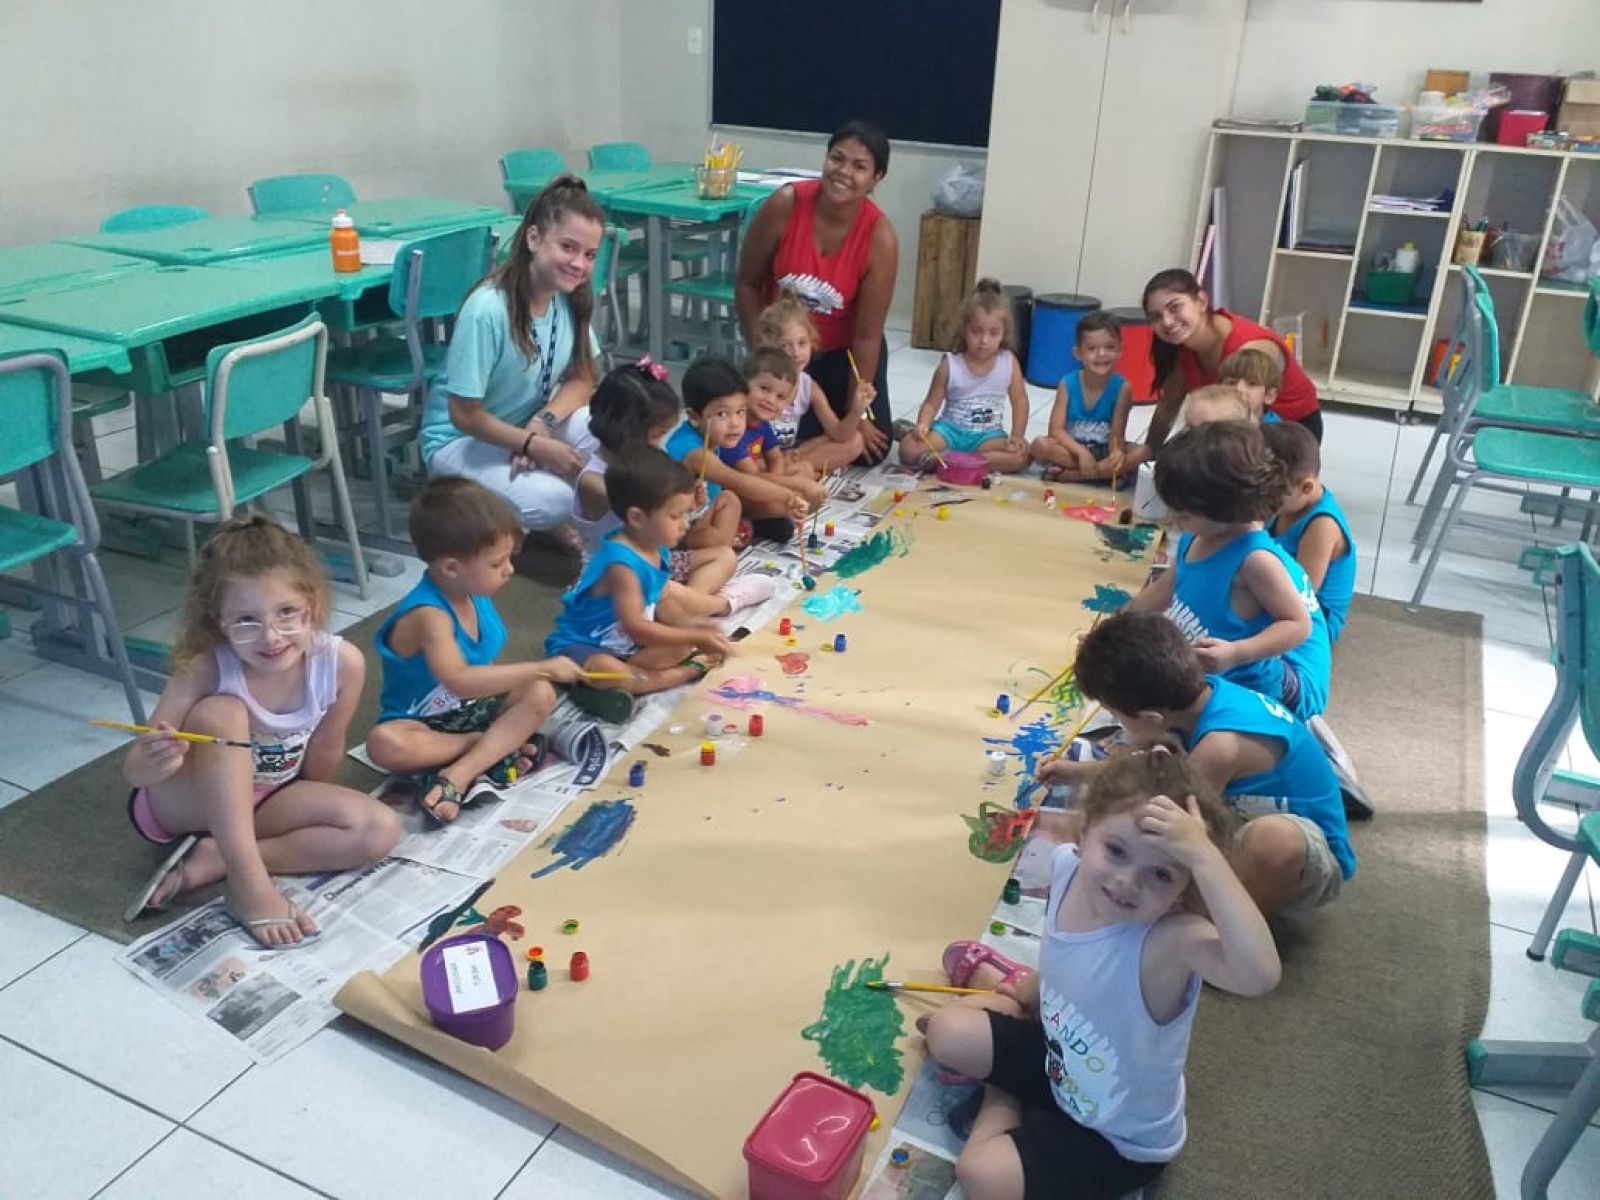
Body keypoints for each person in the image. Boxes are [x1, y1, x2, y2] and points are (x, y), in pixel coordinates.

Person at [923, 750, 1279, 1200]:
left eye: (1161, 873)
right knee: (947, 1030)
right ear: (1085, 830)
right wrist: (1029, 989)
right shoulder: (1066, 867)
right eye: (1116, 851)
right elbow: (1065, 955)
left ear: (1183, 888)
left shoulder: (1171, 939)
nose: (1128, 881)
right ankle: (1016, 1046)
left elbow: (1260, 974)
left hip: (1117, 1137)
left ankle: (1003, 1096)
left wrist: (1205, 857)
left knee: (981, 1175)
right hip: (1058, 1061)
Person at [122, 517, 400, 947]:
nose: (271, 637)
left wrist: (313, 808)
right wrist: (153, 760)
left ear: (311, 603)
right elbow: (135, 770)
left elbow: (326, 750)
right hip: (184, 805)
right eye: (246, 620)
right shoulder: (206, 667)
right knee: (223, 714)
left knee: (379, 829)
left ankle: (220, 858)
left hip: (266, 798)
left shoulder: (341, 663)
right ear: (219, 621)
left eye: (287, 613)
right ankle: (248, 883)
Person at [1063, 610, 1354, 914]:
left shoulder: (1219, 747)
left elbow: (1159, 813)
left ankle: (1216, 925)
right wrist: (1078, 773)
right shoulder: (1201, 694)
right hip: (1239, 815)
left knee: (1257, 842)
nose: (1120, 725)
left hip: (1312, 860)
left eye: (1116, 715)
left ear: (1152, 718)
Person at [364, 479, 585, 824]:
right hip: (423, 725)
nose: (510, 570)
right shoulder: (429, 615)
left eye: (509, 559)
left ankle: (458, 773)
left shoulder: (472, 592)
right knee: (384, 744)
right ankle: (488, 747)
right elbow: (460, 681)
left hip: (475, 709)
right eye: (497, 564)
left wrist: (535, 679)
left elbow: (484, 673)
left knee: (540, 693)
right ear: (451, 567)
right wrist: (543, 667)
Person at [419, 175, 606, 547]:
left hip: (522, 426)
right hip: (458, 441)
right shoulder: (487, 309)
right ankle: (523, 517)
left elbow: (583, 377)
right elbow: (464, 415)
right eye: (568, 247)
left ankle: (557, 517)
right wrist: (531, 445)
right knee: (556, 501)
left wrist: (541, 424)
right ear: (533, 238)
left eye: (589, 255)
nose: (579, 264)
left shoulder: (566, 297)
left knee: (601, 431)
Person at [1130, 422, 1331, 721]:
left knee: (1175, 726)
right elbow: (1164, 589)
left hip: (1267, 687)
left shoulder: (1255, 561)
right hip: (1216, 665)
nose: (1173, 520)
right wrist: (1121, 622)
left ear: (1227, 510)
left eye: (1183, 514)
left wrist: (1237, 653)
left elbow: (1298, 625)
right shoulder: (1195, 536)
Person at [735, 119, 898, 462]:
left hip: (843, 353)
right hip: (782, 346)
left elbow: (867, 337)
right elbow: (747, 283)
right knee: (769, 429)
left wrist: (858, 411)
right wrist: (762, 357)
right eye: (837, 158)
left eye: (859, 167)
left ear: (876, 178)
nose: (843, 172)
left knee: (871, 448)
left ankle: (792, 465)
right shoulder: (785, 203)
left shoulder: (880, 238)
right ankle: (792, 462)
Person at [573, 358, 774, 620]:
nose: (660, 446)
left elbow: (667, 519)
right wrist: (677, 502)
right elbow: (649, 511)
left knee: (724, 556)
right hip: (616, 578)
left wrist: (689, 503)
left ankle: (691, 603)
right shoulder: (594, 481)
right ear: (626, 431)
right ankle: (720, 604)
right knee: (668, 600)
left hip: (657, 562)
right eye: (656, 436)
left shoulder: (642, 462)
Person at [544, 448, 736, 714]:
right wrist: (693, 634)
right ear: (636, 517)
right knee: (607, 670)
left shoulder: (656, 545)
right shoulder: (622, 564)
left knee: (680, 645)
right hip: (583, 646)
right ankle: (684, 672)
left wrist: (692, 626)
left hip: (628, 648)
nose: (685, 525)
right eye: (675, 516)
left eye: (685, 514)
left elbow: (663, 601)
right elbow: (636, 627)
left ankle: (629, 682)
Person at [1137, 268, 1323, 456]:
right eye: (1156, 317)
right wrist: (1148, 453)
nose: (1167, 322)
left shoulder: (1249, 347)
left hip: (1290, 430)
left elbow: (1242, 416)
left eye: (1174, 307)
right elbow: (1167, 407)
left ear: (1201, 301)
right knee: (1173, 458)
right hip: (1230, 423)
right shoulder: (1180, 347)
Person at [669, 357, 810, 543]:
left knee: (731, 501)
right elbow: (738, 480)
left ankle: (737, 531)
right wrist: (788, 497)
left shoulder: (712, 435)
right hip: (677, 529)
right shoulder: (693, 452)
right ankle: (702, 549)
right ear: (694, 417)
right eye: (722, 414)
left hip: (701, 511)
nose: (735, 423)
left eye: (741, 411)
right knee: (731, 506)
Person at [898, 279, 1030, 474]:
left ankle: (951, 461)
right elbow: (931, 403)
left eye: (994, 333)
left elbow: (1020, 401)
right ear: (964, 330)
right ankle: (963, 461)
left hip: (988, 437)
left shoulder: (1009, 362)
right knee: (908, 449)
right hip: (949, 432)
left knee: (1022, 456)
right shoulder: (950, 365)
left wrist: (1017, 436)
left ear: (1004, 333)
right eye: (976, 332)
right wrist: (923, 424)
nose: (984, 340)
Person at [752, 290, 865, 473]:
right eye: (785, 346)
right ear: (769, 348)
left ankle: (793, 470)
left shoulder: (807, 385)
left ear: (812, 343)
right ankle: (794, 472)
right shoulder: (758, 382)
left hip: (788, 455)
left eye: (802, 343)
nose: (796, 353)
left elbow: (838, 433)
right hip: (757, 458)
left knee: (855, 440)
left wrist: (857, 410)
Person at [1263, 421, 1356, 642]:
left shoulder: (1322, 525)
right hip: (1277, 589)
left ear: (1306, 488)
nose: (1263, 500)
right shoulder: (1289, 503)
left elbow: (1302, 593)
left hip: (1314, 618)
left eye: (1272, 495)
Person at [1030, 310, 1135, 483]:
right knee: (1039, 445)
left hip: (1103, 453)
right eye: (1092, 349)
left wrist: (1117, 454)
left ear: (1120, 350)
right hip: (1072, 451)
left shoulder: (1123, 388)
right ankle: (1099, 474)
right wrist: (1081, 452)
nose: (1101, 354)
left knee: (1144, 452)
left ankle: (1070, 475)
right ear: (1078, 353)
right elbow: (1055, 430)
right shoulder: (1067, 383)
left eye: (1109, 347)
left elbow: (1117, 435)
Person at [726, 346, 832, 505]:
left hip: (757, 481)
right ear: (743, 384)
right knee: (788, 500)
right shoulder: (734, 427)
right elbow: (753, 477)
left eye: (780, 396)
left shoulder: (763, 425)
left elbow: (775, 457)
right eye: (764, 389)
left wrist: (778, 482)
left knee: (804, 468)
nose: (771, 400)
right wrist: (798, 485)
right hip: (737, 491)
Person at [1217, 347, 1282, 421]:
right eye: (1231, 383)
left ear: (1269, 396)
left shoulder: (1274, 427)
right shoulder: (1213, 421)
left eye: (1252, 384)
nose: (1238, 389)